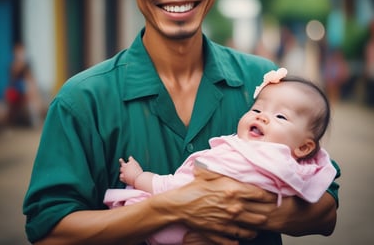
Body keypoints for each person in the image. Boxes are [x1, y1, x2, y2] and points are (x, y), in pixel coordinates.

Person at [23, 0, 340, 245]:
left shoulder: (263, 84)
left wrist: (224, 207)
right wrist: (173, 207)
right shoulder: (82, 101)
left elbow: (326, 210)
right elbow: (49, 231)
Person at [105, 68, 336, 244]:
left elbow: (182, 191)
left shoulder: (245, 160)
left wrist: (140, 178)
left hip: (176, 227)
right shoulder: (294, 166)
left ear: (305, 148)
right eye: (256, 109)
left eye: (281, 117)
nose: (263, 117)